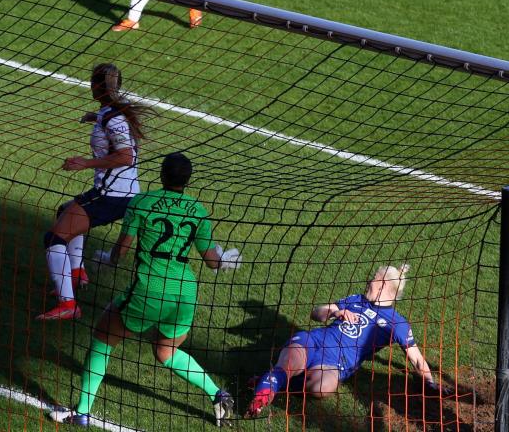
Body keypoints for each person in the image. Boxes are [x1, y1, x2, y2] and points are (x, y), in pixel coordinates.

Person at [50, 152, 235, 427]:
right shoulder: (198, 210)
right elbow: (211, 261)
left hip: (149, 290)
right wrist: (225, 260)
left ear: (162, 175)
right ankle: (218, 394)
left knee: (103, 335)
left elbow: (122, 249)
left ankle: (83, 412)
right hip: (185, 294)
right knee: (166, 352)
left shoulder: (143, 202)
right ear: (187, 180)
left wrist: (107, 259)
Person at [245, 264, 452, 417]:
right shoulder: (356, 299)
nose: (368, 282)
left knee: (322, 388)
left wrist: (430, 383)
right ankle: (264, 394)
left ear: (382, 285)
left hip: (335, 365)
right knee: (291, 362)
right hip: (314, 342)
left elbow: (416, 358)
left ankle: (276, 382)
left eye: (373, 279)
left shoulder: (397, 323)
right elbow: (316, 313)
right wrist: (337, 312)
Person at [36, 63, 150, 321]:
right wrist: (94, 117)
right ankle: (77, 274)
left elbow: (125, 156)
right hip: (118, 192)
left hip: (113, 195)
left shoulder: (115, 117)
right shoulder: (113, 110)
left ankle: (68, 304)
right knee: (66, 211)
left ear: (97, 86)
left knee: (53, 238)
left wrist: (86, 163)